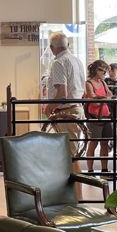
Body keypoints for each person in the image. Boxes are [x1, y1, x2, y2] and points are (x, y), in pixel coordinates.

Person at [44, 32, 86, 171]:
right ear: (67, 44)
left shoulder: (59, 62)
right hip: (77, 108)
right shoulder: (77, 60)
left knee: (69, 157)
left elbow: (62, 94)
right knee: (71, 155)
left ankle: (76, 193)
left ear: (51, 48)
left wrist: (49, 107)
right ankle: (74, 192)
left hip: (66, 113)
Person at [83, 59, 113, 174]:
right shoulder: (89, 83)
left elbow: (109, 94)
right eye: (103, 71)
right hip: (94, 117)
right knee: (94, 142)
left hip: (105, 115)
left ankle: (104, 169)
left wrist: (102, 98)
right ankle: (90, 170)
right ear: (96, 70)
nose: (104, 73)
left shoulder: (102, 82)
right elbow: (93, 99)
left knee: (104, 142)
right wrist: (103, 98)